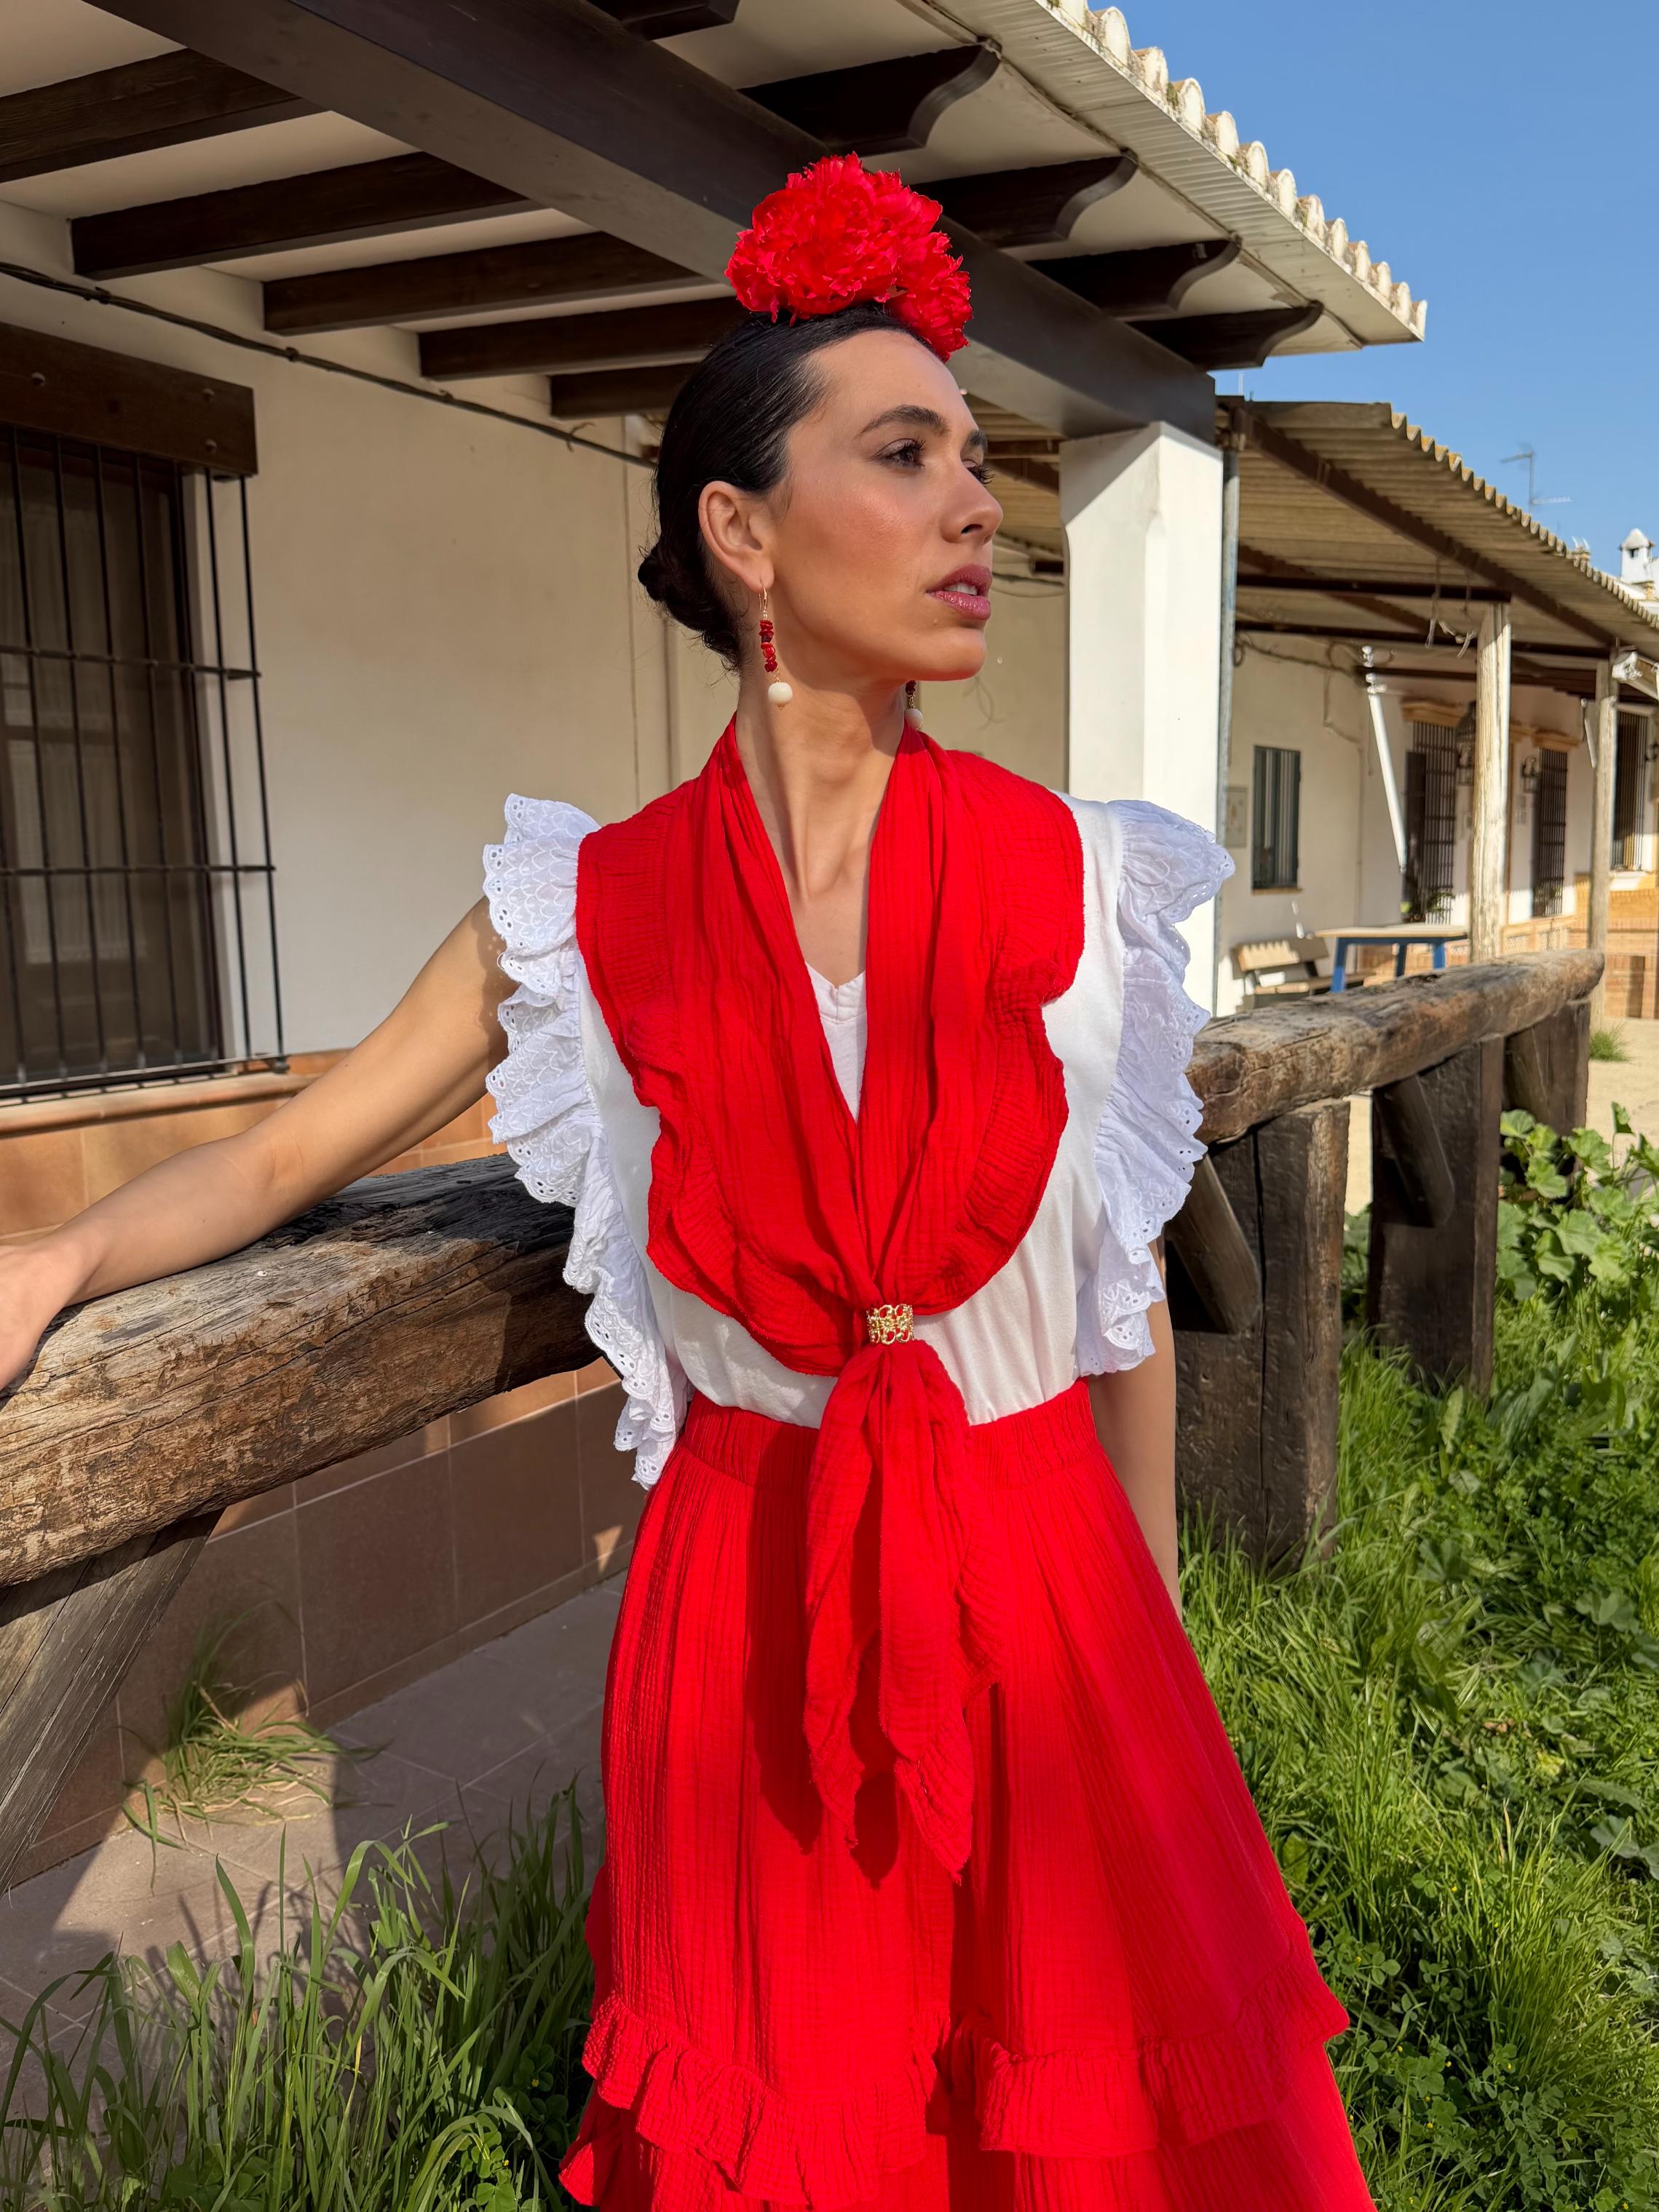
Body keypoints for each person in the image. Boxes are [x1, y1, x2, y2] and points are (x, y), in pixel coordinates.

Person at [0, 156, 1374, 2209]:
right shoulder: (577, 916)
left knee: (1097, 2133)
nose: (972, 507)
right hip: (745, 1617)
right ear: (741, 531)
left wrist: (1147, 1657)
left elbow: (1120, 1308)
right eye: (902, 453)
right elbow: (300, 1144)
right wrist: (67, 1245)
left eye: (977, 458)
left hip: (1052, 1593)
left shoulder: (1090, 887)